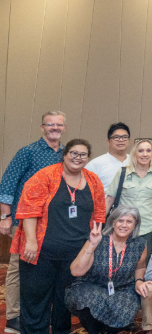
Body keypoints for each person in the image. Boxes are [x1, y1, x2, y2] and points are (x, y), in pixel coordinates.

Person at [13, 138, 107, 334]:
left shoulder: (93, 180)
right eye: (74, 153)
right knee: (35, 301)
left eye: (83, 154)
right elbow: (29, 211)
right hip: (41, 252)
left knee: (65, 302)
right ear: (64, 155)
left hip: (75, 255)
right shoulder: (45, 176)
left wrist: (92, 247)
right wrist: (31, 242)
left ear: (88, 158)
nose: (78, 157)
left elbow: (99, 213)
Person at [1, 111, 67, 334]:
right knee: (18, 267)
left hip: (55, 224)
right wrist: (5, 216)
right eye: (50, 124)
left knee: (44, 270)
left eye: (59, 125)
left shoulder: (66, 154)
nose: (55, 128)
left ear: (64, 128)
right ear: (42, 127)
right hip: (24, 220)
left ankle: (39, 315)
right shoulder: (28, 152)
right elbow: (8, 183)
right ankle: (14, 316)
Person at [65, 206, 148, 334]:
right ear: (113, 222)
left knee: (125, 303)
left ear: (135, 225)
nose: (124, 225)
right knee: (88, 298)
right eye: (120, 220)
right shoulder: (98, 239)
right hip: (92, 284)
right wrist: (92, 245)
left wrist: (139, 281)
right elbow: (76, 271)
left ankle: (111, 329)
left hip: (123, 287)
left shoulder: (139, 244)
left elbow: (140, 266)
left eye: (129, 221)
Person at [105, 139, 152, 258]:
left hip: (146, 229)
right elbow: (109, 200)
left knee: (142, 264)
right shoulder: (123, 172)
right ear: (135, 154)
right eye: (141, 151)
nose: (145, 154)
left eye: (148, 151)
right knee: (118, 261)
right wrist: (98, 224)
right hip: (123, 228)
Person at [86, 123, 130, 188]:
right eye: (116, 137)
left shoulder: (136, 161)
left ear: (129, 141)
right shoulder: (95, 164)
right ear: (108, 141)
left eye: (125, 137)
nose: (121, 140)